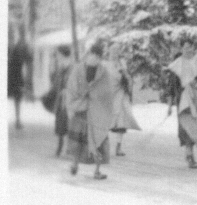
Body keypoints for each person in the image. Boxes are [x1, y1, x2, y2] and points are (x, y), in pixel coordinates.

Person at [65, 41, 115, 180]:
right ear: (89, 54)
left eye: (98, 55)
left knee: (98, 139)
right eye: (93, 54)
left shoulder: (103, 72)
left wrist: (94, 95)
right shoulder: (78, 69)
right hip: (81, 109)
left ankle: (97, 170)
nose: (95, 57)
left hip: (97, 110)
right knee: (78, 140)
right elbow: (72, 87)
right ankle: (74, 164)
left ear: (100, 57)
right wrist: (80, 98)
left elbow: (107, 91)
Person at [166, 39, 197, 169]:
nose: (189, 50)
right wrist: (170, 106)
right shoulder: (176, 65)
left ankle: (190, 152)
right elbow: (171, 87)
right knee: (186, 127)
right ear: (181, 49)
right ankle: (189, 155)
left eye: (191, 47)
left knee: (196, 125)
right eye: (186, 47)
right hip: (183, 101)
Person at [108, 43, 141, 156]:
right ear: (109, 52)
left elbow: (128, 78)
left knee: (121, 121)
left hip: (121, 95)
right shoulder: (105, 65)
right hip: (109, 96)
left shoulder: (122, 64)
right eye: (113, 51)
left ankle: (118, 146)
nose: (115, 53)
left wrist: (126, 79)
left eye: (117, 51)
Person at [7, 32, 31, 130]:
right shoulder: (20, 47)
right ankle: (17, 121)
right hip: (15, 76)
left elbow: (28, 59)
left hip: (15, 75)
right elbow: (28, 59)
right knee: (17, 98)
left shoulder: (17, 46)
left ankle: (17, 121)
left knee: (17, 99)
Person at [52, 45, 72, 157]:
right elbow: (56, 83)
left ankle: (69, 148)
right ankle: (59, 146)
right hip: (60, 99)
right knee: (60, 122)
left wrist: (67, 90)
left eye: (58, 54)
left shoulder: (72, 66)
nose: (57, 56)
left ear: (63, 54)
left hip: (69, 99)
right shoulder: (60, 67)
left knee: (69, 122)